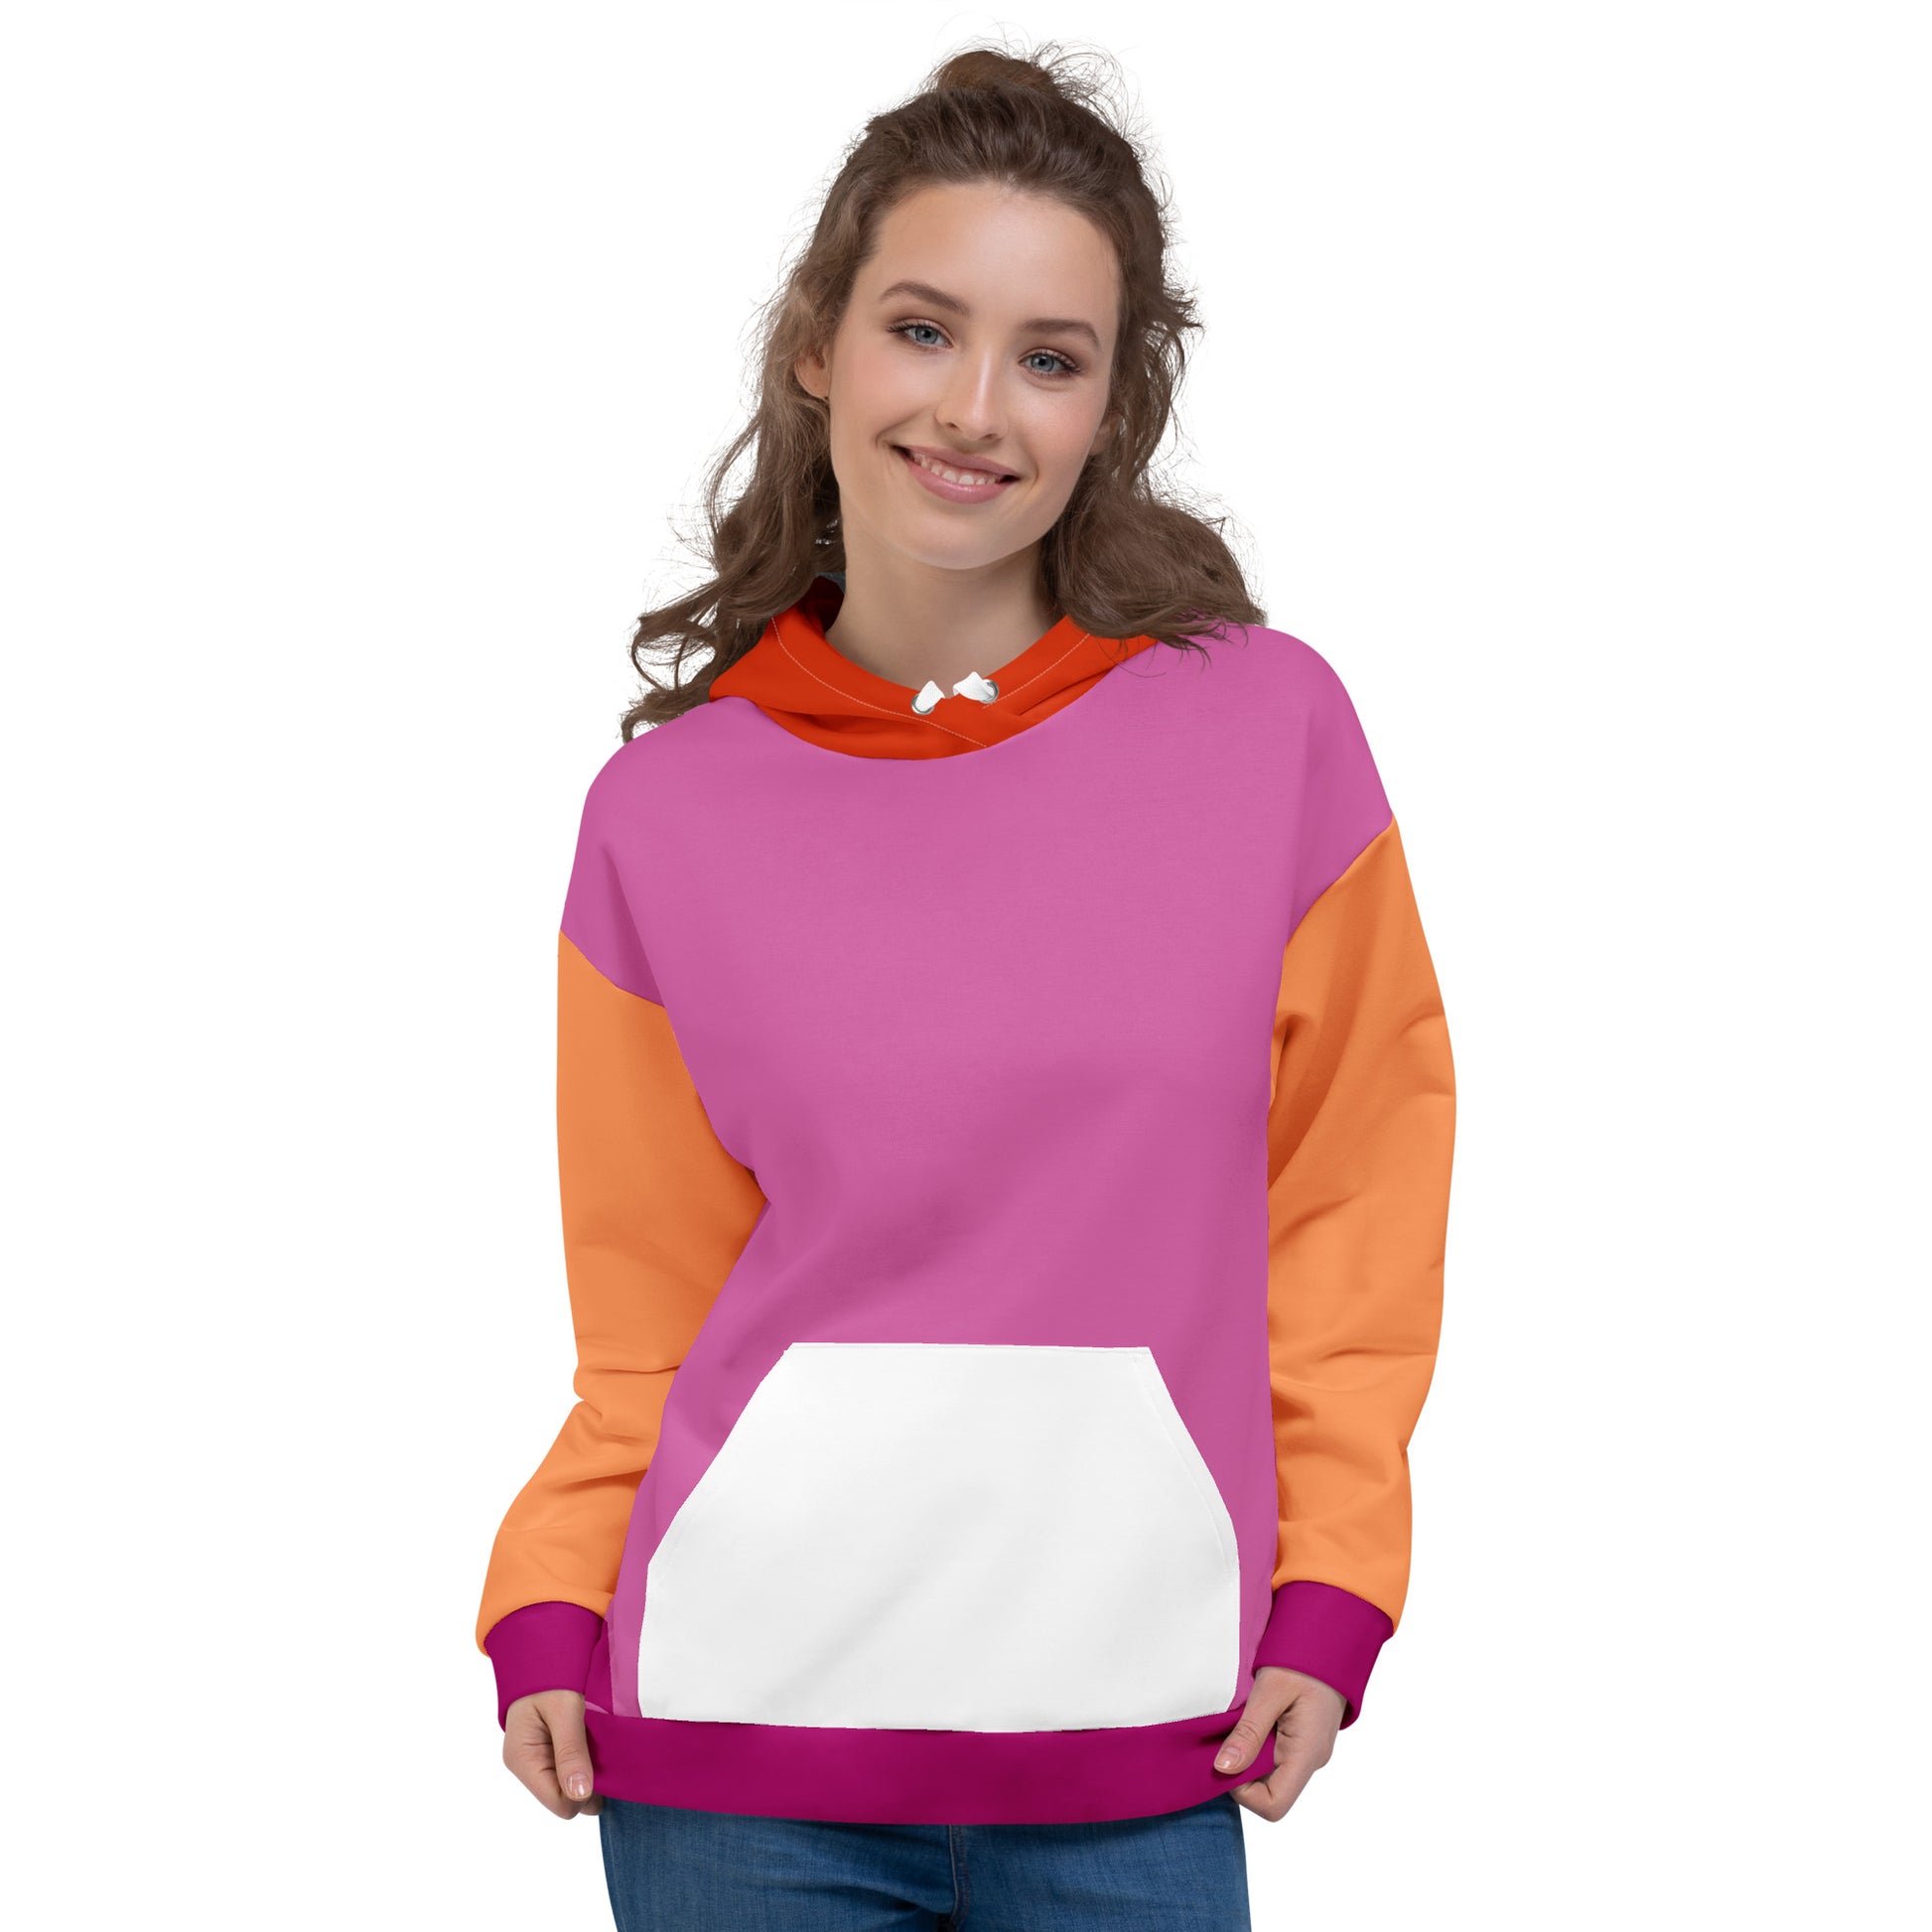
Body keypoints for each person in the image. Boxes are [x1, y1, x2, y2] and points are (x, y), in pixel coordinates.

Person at [475, 38, 1455, 1931]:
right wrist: (549, 1597)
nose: (974, 409)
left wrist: (1336, 1581)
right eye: (923, 329)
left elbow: (1352, 1194)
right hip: (729, 1748)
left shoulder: (1268, 735)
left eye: (1049, 356)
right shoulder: (663, 813)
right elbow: (647, 1307)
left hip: (1139, 1736)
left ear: (1113, 406)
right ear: (817, 347)